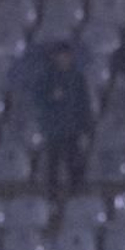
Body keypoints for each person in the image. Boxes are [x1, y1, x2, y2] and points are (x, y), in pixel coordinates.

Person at [34, 44, 92, 201]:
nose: (64, 59)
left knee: (74, 161)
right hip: (54, 128)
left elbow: (84, 103)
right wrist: (51, 97)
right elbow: (39, 101)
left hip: (72, 127)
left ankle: (77, 192)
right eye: (61, 56)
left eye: (66, 56)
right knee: (53, 163)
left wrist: (86, 126)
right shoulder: (47, 78)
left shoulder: (77, 78)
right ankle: (52, 194)